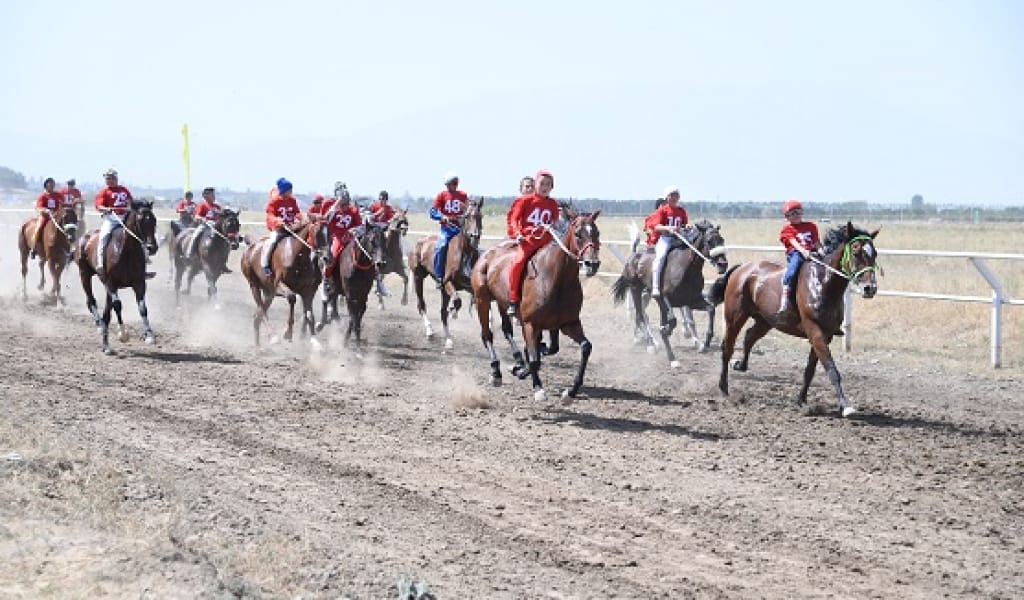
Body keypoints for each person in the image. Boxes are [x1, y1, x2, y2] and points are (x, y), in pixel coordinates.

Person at [506, 170, 559, 318]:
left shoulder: (553, 204)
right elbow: (514, 219)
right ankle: (513, 298)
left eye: (548, 184)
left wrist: (553, 228)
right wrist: (517, 233)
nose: (545, 187)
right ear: (536, 184)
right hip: (528, 241)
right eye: (542, 183)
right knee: (518, 263)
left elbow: (555, 221)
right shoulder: (525, 201)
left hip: (546, 242)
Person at [778, 199, 822, 313]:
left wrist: (821, 251)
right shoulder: (787, 229)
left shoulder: (811, 226)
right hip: (796, 253)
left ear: (802, 212)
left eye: (797, 212)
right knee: (794, 267)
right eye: (791, 214)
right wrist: (803, 251)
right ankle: (785, 294)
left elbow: (816, 242)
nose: (795, 215)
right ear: (787, 217)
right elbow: (794, 243)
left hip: (812, 252)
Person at [646, 185, 689, 298]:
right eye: (672, 195)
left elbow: (684, 224)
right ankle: (655, 286)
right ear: (667, 197)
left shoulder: (681, 211)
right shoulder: (662, 210)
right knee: (660, 257)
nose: (674, 197)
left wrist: (687, 227)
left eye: (676, 195)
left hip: (679, 238)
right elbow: (656, 227)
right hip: (666, 239)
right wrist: (667, 228)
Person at [429, 172, 469, 289]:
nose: (454, 185)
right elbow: (432, 212)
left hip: (460, 229)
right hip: (447, 229)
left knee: (472, 247)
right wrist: (441, 217)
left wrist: (466, 215)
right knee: (440, 247)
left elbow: (467, 209)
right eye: (451, 183)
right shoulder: (441, 195)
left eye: (455, 183)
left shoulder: (463, 195)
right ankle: (439, 276)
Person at [261, 177, 304, 278]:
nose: (291, 192)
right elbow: (270, 215)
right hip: (278, 229)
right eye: (289, 190)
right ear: (284, 191)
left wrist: (301, 218)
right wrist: (278, 221)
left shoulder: (292, 200)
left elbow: (296, 212)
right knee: (272, 241)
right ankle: (265, 265)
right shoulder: (274, 201)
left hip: (291, 227)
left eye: (291, 190)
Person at [94, 168, 134, 275]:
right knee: (103, 237)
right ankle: (100, 264)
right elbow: (98, 205)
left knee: (138, 235)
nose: (108, 180)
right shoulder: (104, 192)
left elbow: (130, 202)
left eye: (110, 178)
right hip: (111, 219)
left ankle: (145, 259)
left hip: (125, 217)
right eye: (106, 178)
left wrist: (130, 208)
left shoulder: (124, 190)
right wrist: (106, 209)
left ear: (115, 179)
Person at [321, 188, 364, 282]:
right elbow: (326, 218)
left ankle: (377, 279)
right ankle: (326, 279)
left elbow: (361, 226)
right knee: (333, 256)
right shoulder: (334, 211)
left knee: (366, 252)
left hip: (351, 239)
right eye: (342, 204)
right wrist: (336, 204)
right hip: (337, 238)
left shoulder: (353, 211)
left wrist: (353, 229)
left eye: (346, 203)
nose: (345, 206)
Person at [185, 187, 228, 271]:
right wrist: (202, 218)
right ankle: (189, 254)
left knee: (226, 239)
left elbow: (221, 216)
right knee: (196, 235)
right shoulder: (202, 205)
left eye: (214, 195)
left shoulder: (217, 206)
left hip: (216, 227)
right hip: (205, 226)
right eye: (212, 195)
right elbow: (197, 216)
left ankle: (223, 262)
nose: (214, 196)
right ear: (206, 196)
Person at [29, 178, 64, 259]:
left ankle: (67, 248)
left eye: (53, 184)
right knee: (39, 228)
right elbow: (39, 207)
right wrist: (46, 210)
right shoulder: (42, 196)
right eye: (50, 184)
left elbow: (62, 204)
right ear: (46, 185)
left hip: (56, 217)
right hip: (45, 217)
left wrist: (61, 209)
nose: (52, 185)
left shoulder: (58, 195)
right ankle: (33, 248)